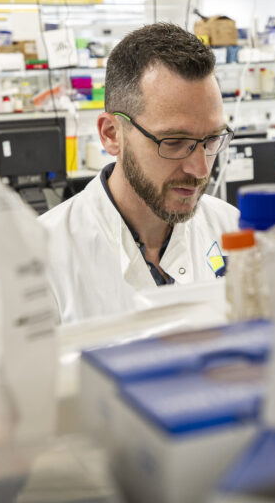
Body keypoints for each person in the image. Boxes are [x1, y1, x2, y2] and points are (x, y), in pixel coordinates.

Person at [40, 23, 240, 324]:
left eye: (212, 139)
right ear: (111, 134)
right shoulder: (42, 259)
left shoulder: (232, 229)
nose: (200, 169)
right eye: (173, 142)